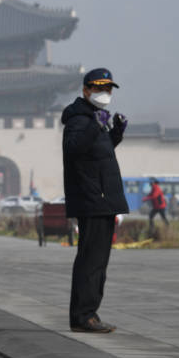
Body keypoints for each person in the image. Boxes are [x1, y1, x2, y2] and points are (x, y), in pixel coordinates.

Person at [62, 67, 128, 334]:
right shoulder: (80, 119)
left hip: (102, 199)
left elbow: (97, 154)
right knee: (91, 261)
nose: (104, 93)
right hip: (93, 199)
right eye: (99, 88)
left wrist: (115, 134)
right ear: (86, 90)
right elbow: (73, 149)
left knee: (98, 262)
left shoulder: (93, 118)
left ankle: (89, 313)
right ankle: (84, 316)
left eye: (108, 89)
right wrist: (96, 127)